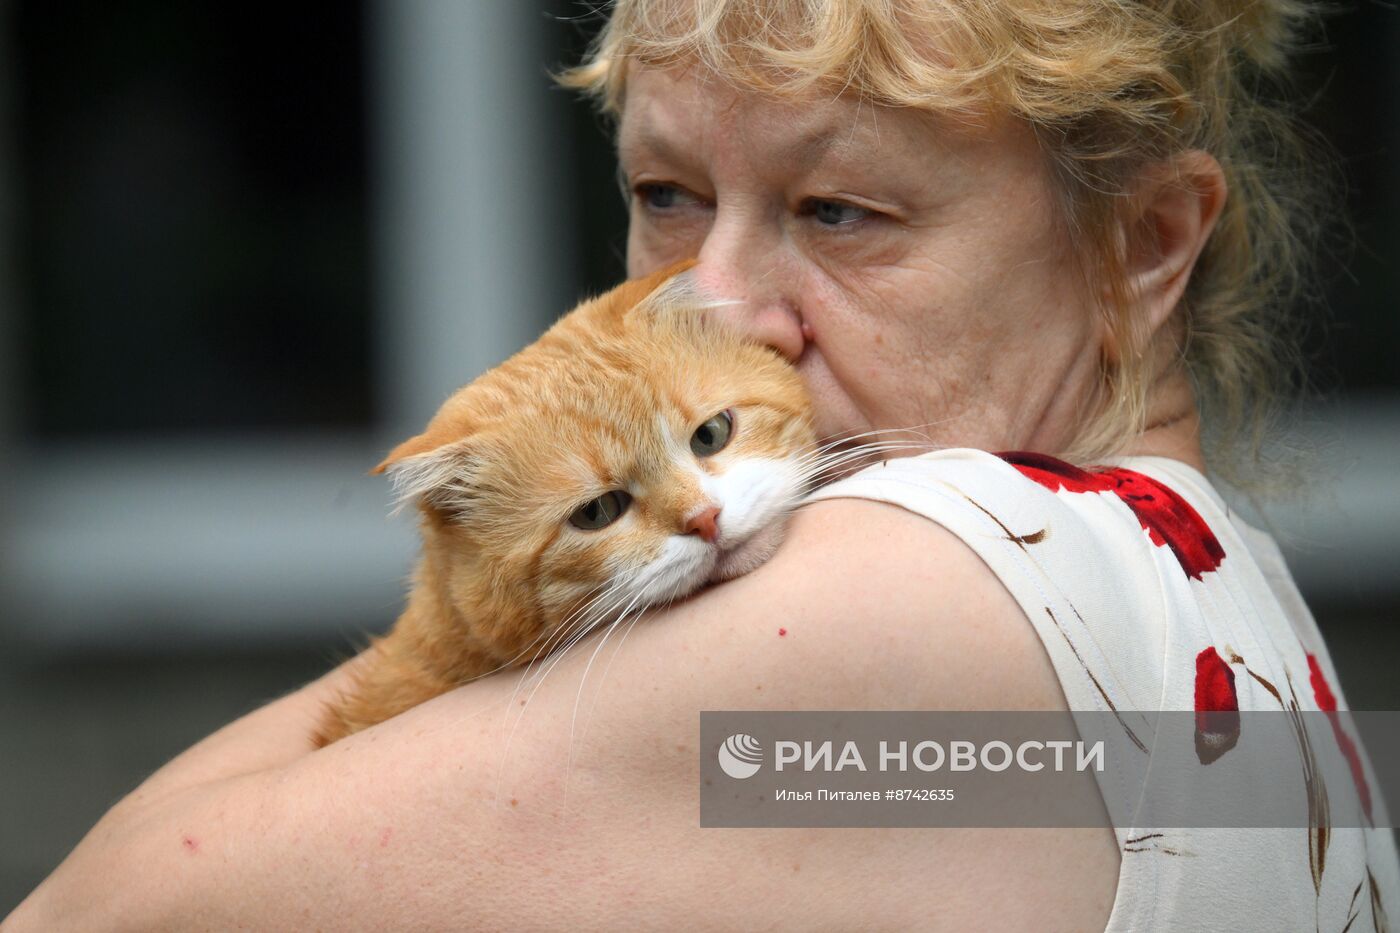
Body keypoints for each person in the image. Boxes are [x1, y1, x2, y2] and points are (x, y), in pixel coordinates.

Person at [6, 1, 1397, 930]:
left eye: (839, 209)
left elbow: (108, 911)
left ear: (1144, 244)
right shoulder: (1216, 609)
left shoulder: (924, 591)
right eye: (665, 194)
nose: (719, 304)